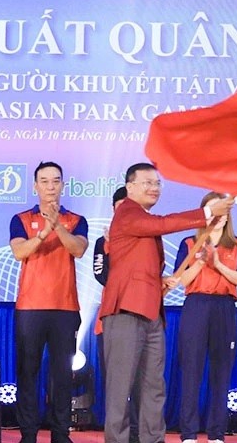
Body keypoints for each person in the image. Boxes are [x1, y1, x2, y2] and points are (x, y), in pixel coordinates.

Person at [97, 163, 234, 443]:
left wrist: (159, 281)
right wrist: (208, 212)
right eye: (147, 182)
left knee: (154, 387)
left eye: (157, 183)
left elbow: (135, 265)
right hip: (126, 311)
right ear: (130, 187)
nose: (154, 188)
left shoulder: (141, 217)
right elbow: (162, 224)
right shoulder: (127, 212)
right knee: (120, 389)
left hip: (151, 313)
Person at [9, 161, 88, 443]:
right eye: (44, 181)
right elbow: (19, 252)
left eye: (55, 181)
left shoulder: (76, 220)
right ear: (35, 186)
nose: (50, 186)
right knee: (27, 372)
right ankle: (28, 434)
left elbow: (78, 250)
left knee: (62, 375)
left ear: (63, 185)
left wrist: (58, 227)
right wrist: (43, 231)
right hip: (30, 307)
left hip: (65, 308)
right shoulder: (20, 218)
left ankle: (60, 433)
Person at [174, 192, 237, 443]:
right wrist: (200, 261)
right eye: (212, 209)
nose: (218, 214)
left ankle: (217, 434)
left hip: (224, 307)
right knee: (191, 370)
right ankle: (188, 434)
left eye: (221, 209)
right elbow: (180, 281)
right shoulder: (189, 242)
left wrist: (217, 264)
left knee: (221, 371)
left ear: (228, 215)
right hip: (196, 305)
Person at [92, 186, 141, 443]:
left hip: (142, 316)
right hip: (110, 318)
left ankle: (137, 433)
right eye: (121, 207)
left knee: (142, 384)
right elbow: (102, 275)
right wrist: (111, 246)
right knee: (115, 384)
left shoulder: (146, 237)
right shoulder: (103, 241)